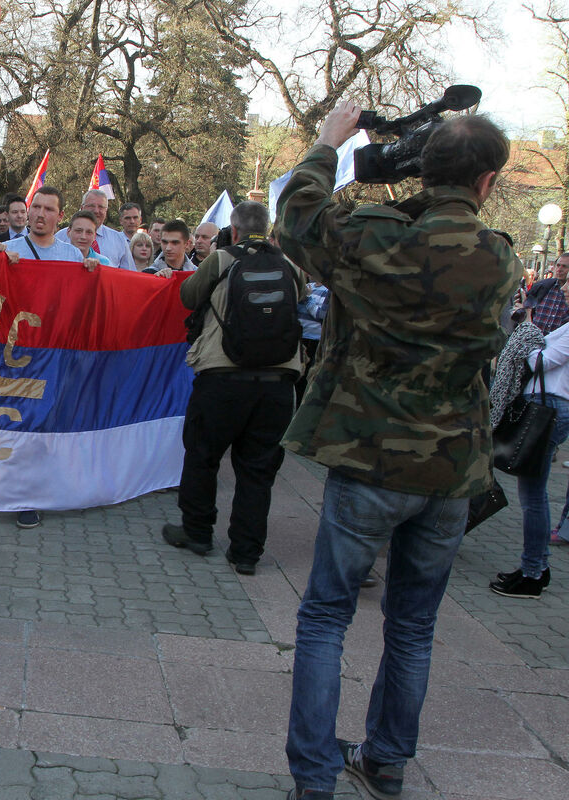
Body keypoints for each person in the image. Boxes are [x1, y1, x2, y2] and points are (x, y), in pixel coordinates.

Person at [276, 104, 517, 800]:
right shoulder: (499, 257)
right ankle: (385, 762)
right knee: (413, 626)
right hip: (451, 470)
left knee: (327, 617)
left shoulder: (373, 238)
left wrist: (330, 142)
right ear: (488, 182)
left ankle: (315, 779)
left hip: (370, 458)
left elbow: (298, 215)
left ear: (423, 171)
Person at [162, 200, 302, 576]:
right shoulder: (288, 266)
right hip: (278, 383)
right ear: (267, 229)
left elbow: (188, 296)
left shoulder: (222, 259)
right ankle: (245, 552)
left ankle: (197, 532)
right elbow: (301, 298)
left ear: (234, 230)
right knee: (258, 469)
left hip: (223, 377)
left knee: (203, 456)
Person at [0, 185, 97, 529]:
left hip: (55, 355)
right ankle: (19, 492)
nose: (40, 214)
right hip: (16, 353)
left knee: (46, 423)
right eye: (35, 207)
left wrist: (92, 274)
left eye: (48, 209)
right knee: (19, 421)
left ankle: (35, 492)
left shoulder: (72, 257)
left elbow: (86, 303)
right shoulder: (9, 249)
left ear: (60, 216)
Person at [489, 314, 567, 599]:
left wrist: (527, 335)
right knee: (533, 494)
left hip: (548, 409)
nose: (566, 292)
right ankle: (537, 567)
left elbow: (540, 362)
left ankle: (533, 572)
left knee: (533, 497)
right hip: (548, 406)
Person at [55, 189, 136, 270]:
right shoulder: (60, 237)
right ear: (82, 208)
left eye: (101, 207)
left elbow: (129, 273)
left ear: (106, 211)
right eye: (91, 206)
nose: (96, 211)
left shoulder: (119, 240)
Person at [518, 251, 569, 335]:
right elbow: (527, 309)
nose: (559, 269)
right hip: (533, 338)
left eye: (564, 266)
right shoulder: (542, 286)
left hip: (558, 341)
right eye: (558, 265)